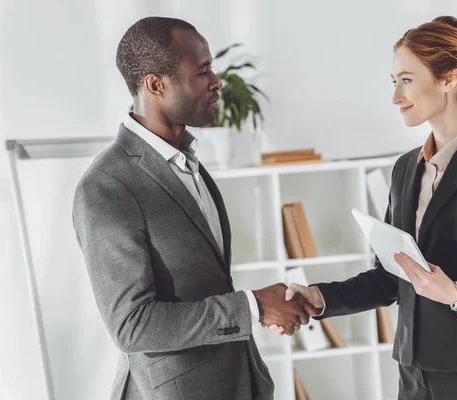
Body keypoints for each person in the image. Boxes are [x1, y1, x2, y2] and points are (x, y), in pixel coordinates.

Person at [274, 16, 457, 400]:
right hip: (412, 371)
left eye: (406, 80)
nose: (396, 96)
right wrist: (320, 298)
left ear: (448, 79)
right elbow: (394, 277)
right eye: (394, 82)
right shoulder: (406, 169)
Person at [72, 17, 315, 400]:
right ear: (156, 84)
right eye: (202, 71)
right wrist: (252, 307)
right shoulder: (106, 187)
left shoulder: (188, 163)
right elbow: (132, 326)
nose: (217, 81)